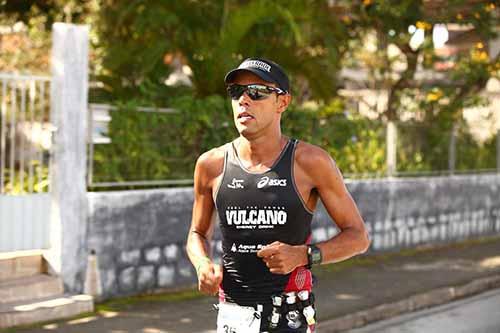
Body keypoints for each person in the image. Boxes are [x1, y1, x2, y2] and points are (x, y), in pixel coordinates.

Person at [186, 58, 371, 333]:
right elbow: (197, 234)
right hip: (232, 316)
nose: (244, 101)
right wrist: (203, 264)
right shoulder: (211, 164)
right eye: (236, 92)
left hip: (288, 317)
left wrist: (304, 255)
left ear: (282, 102)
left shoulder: (309, 162)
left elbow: (358, 237)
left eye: (256, 92)